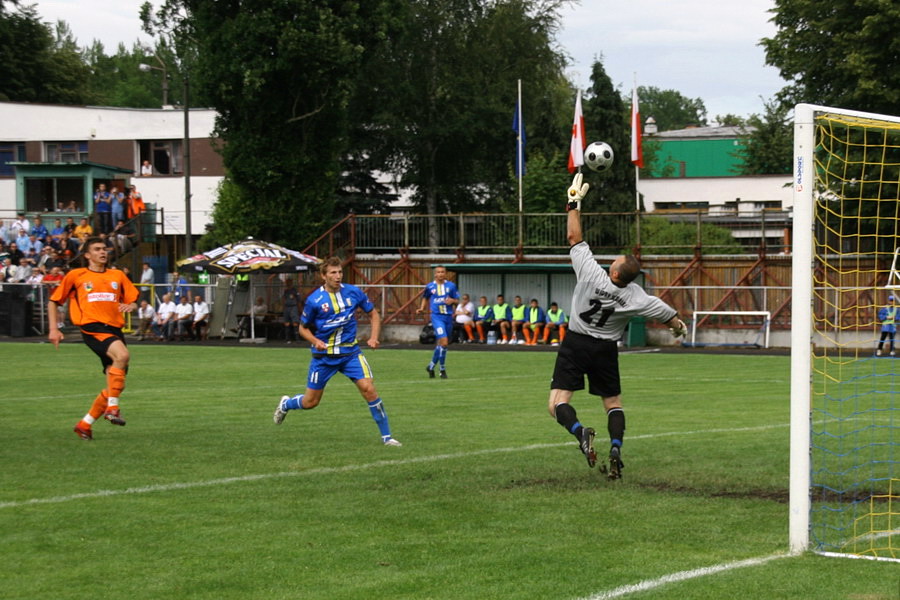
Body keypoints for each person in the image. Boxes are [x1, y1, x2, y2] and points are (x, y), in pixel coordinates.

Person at [548, 173, 687, 480]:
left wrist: (573, 203)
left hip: (576, 342)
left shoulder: (591, 274)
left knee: (557, 403)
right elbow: (669, 316)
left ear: (613, 271)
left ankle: (580, 432)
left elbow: (574, 238)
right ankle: (615, 448)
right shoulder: (637, 297)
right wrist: (679, 327)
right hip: (605, 349)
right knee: (612, 402)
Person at [273, 257, 402, 447]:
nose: (338, 276)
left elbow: (373, 314)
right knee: (311, 402)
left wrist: (374, 337)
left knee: (369, 389)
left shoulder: (353, 292)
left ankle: (387, 438)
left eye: (340, 272)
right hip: (324, 358)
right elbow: (303, 329)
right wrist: (315, 341)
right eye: (333, 272)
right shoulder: (314, 300)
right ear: (323, 276)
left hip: (350, 354)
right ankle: (286, 404)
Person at [47, 236, 139, 441]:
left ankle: (84, 425)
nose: (103, 252)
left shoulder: (118, 276)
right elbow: (54, 301)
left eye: (104, 249)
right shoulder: (76, 275)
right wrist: (54, 329)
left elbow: (133, 300)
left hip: (115, 329)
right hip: (92, 327)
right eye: (97, 249)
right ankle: (113, 409)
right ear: (87, 255)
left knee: (116, 383)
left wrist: (130, 306)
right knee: (122, 355)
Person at [417, 265, 459, 378]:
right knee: (444, 342)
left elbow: (457, 301)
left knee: (442, 345)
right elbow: (425, 297)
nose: (440, 274)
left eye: (442, 272)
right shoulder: (430, 286)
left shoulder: (451, 286)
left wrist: (453, 301)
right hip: (437, 317)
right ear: (435, 274)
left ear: (445, 274)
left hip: (448, 318)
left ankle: (431, 366)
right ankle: (442, 369)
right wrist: (422, 308)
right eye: (438, 272)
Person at [281, 278, 301, 343]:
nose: (287, 284)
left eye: (288, 282)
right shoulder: (285, 291)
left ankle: (297, 338)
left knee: (295, 322)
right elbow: (283, 299)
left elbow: (298, 299)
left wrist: (299, 308)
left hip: (293, 307)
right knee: (287, 323)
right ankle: (287, 338)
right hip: (287, 307)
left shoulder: (294, 290)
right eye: (286, 282)